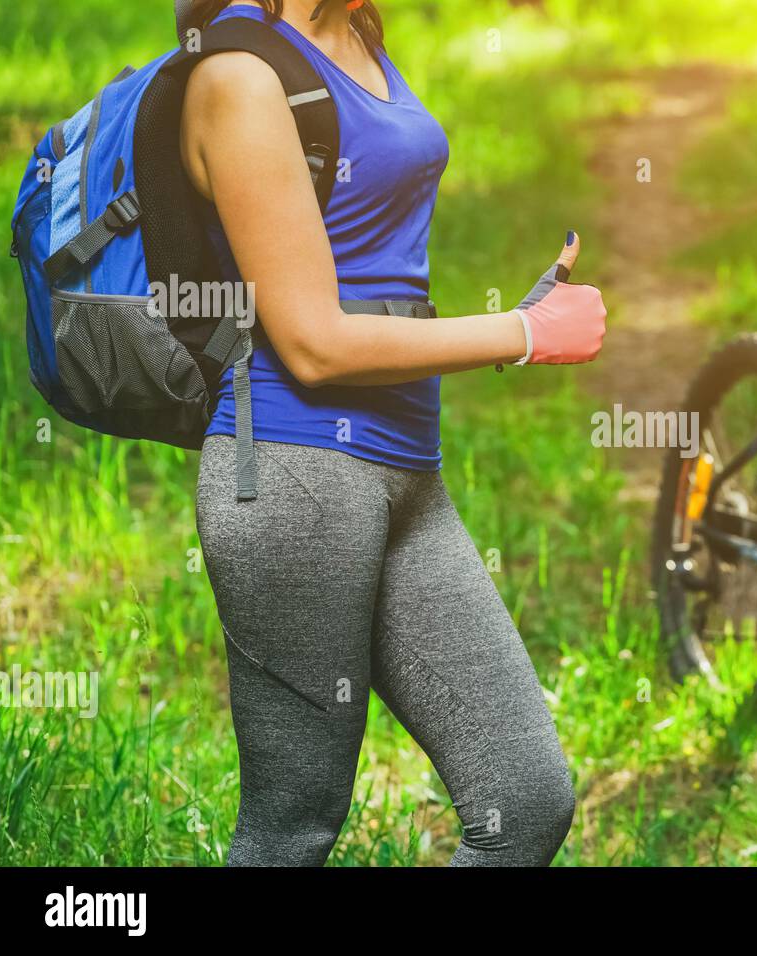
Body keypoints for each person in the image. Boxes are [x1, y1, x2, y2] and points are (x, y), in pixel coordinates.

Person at [181, 0, 606, 865]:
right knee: (292, 827)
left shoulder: (360, 31)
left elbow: (374, 258)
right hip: (295, 478)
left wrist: (516, 317)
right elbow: (313, 344)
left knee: (524, 801)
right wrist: (522, 336)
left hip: (409, 471)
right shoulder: (237, 76)